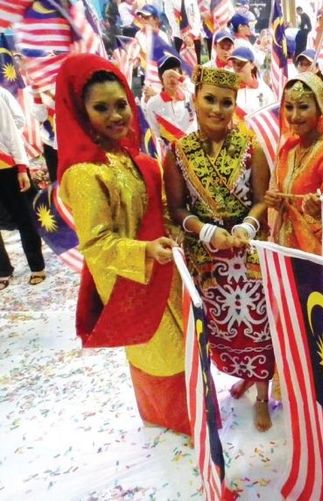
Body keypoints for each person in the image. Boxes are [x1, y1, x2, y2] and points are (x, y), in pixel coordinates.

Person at [56, 54, 189, 434]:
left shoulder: (139, 160)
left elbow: (161, 210)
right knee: (160, 351)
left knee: (188, 343)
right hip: (133, 282)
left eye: (121, 105)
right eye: (101, 108)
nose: (116, 116)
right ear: (79, 112)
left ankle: (196, 406)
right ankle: (172, 417)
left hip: (167, 272)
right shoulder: (85, 175)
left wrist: (181, 231)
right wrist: (144, 251)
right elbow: (96, 243)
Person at [163, 65, 274, 432]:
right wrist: (205, 230)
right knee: (217, 329)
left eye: (226, 102)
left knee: (258, 326)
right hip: (207, 259)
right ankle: (235, 379)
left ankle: (262, 395)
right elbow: (176, 209)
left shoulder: (251, 147)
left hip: (247, 254)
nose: (217, 109)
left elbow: (262, 200)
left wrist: (247, 226)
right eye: (209, 99)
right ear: (195, 99)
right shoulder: (178, 152)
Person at [264, 73, 323, 254]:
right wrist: (277, 201)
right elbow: (286, 199)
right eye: (289, 107)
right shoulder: (288, 149)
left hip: (314, 256)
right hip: (285, 250)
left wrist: (317, 213)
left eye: (303, 107)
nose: (294, 116)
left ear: (319, 109)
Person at [0, 92, 46, 291]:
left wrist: (21, 167)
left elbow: (11, 130)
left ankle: (36, 266)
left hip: (6, 166)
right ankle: (2, 269)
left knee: (24, 218)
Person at [145, 54, 197, 146]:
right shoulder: (153, 104)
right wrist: (164, 150)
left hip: (195, 147)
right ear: (161, 78)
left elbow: (202, 93)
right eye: (168, 75)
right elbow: (155, 133)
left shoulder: (189, 95)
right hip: (172, 151)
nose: (172, 79)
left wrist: (182, 79)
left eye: (174, 74)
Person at [229, 46, 275, 115]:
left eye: (240, 63)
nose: (236, 67)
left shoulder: (264, 90)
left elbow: (272, 115)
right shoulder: (228, 88)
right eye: (234, 63)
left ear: (252, 65)